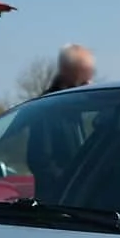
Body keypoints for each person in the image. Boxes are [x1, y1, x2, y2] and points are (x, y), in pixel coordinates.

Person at [27, 44, 96, 193]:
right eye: (85, 78)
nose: (90, 83)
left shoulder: (81, 106)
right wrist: (70, 182)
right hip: (59, 201)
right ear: (69, 73)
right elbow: (40, 159)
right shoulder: (47, 108)